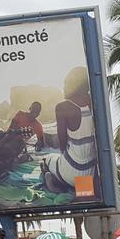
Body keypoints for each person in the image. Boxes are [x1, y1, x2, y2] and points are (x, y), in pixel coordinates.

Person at [42, 67, 98, 195]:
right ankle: (77, 188)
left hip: (71, 173)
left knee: (48, 158)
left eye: (66, 83)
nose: (63, 87)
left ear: (73, 85)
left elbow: (62, 144)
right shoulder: (95, 101)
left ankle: (53, 179)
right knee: (81, 175)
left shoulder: (63, 107)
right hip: (91, 174)